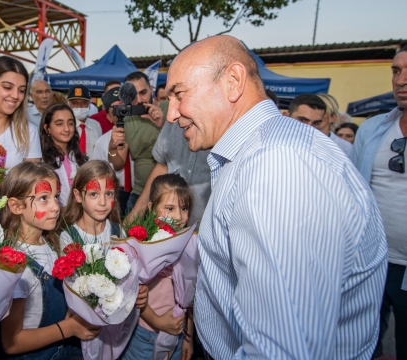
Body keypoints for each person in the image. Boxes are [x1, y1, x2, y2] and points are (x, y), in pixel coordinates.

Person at [167, 35, 387, 359]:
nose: (172, 113)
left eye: (179, 94)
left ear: (233, 81)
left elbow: (283, 351)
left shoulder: (277, 167)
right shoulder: (267, 153)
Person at [0, 162, 99, 358]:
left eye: (55, 196)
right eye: (43, 198)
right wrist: (69, 328)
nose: (55, 206)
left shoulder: (52, 244)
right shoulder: (16, 266)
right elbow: (11, 342)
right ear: (16, 206)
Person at [351, 45, 407, 360]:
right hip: (370, 261)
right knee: (362, 343)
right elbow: (355, 195)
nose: (401, 80)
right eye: (396, 70)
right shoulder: (372, 129)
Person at [121, 174, 194, 360]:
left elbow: (190, 297)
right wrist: (159, 322)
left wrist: (188, 337)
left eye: (184, 208)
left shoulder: (189, 244)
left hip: (177, 334)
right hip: (145, 336)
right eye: (169, 208)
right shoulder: (145, 245)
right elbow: (135, 294)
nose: (178, 216)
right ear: (152, 208)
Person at [122, 72, 166, 213]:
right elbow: (118, 163)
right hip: (139, 194)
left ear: (151, 89)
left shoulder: (169, 109)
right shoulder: (126, 118)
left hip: (169, 192)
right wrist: (112, 147)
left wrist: (162, 125)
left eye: (143, 92)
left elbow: (184, 145)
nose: (140, 100)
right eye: (134, 95)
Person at [59, 160, 124, 249]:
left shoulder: (119, 231)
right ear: (78, 196)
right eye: (93, 194)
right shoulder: (68, 238)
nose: (103, 202)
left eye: (109, 194)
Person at [91, 88, 135, 216]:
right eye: (115, 110)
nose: (121, 113)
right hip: (115, 193)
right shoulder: (101, 142)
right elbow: (98, 174)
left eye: (123, 107)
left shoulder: (141, 135)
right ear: (109, 117)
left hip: (139, 191)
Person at [40, 102, 87, 207]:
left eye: (70, 123)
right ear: (47, 128)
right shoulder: (41, 160)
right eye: (59, 124)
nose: (66, 129)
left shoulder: (78, 157)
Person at [288, 93, 353, 158]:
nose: (313, 115)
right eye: (302, 119)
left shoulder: (344, 147)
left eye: (323, 112)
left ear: (333, 117)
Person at [67, 85, 102, 157]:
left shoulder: (96, 125)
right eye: (74, 103)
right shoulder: (65, 127)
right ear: (68, 104)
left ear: (89, 103)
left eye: (83, 102)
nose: (79, 106)